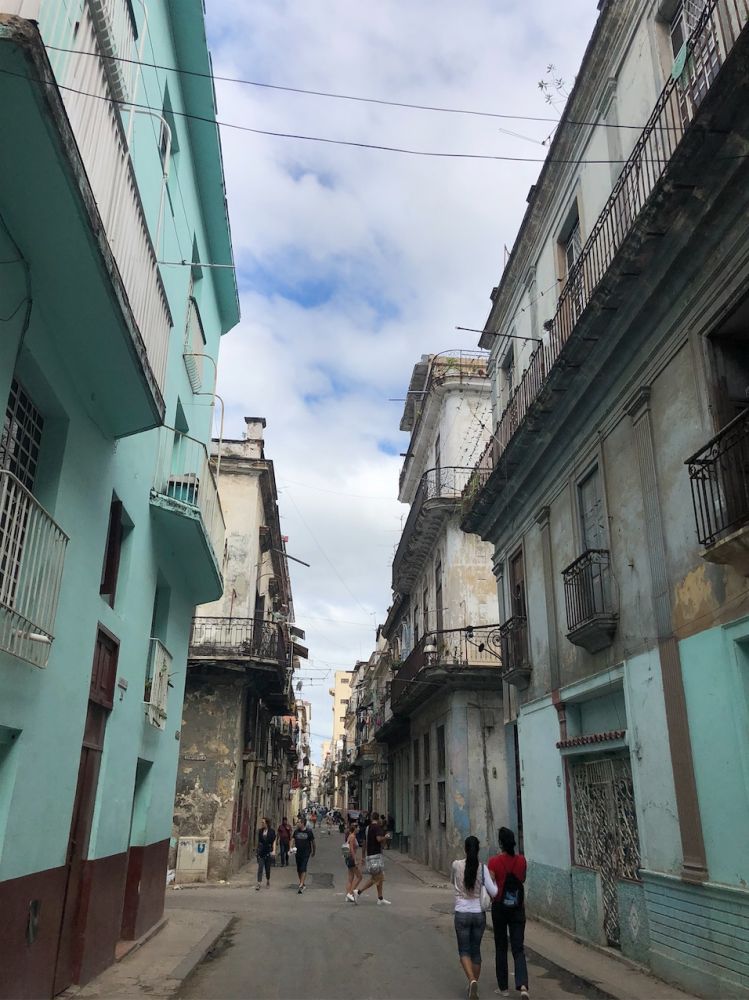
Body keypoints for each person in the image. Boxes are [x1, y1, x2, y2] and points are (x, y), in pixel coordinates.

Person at [451, 835, 498, 1000]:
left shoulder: (456, 865)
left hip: (461, 912)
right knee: (475, 950)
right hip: (478, 914)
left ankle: (471, 981)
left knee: (464, 950)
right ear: (478, 850)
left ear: (465, 849)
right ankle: (473, 984)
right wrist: (493, 881)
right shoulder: (483, 868)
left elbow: (452, 882)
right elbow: (494, 892)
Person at [488, 827, 529, 999]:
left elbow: (491, 885)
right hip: (518, 908)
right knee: (518, 948)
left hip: (499, 907)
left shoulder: (493, 862)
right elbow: (522, 879)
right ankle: (523, 986)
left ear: (500, 843)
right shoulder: (522, 860)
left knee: (501, 946)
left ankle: (503, 988)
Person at [355, 811, 391, 905]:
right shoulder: (377, 828)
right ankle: (358, 892)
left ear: (371, 818)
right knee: (376, 877)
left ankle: (380, 897)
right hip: (376, 855)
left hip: (370, 855)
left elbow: (364, 842)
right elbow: (379, 839)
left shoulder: (368, 828)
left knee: (380, 876)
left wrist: (363, 856)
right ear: (378, 819)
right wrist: (386, 837)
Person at [292, 815, 315, 893]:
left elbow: (313, 842)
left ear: (303, 823)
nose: (297, 823)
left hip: (306, 852)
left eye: (298, 822)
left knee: (303, 867)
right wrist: (291, 848)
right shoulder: (296, 831)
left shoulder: (309, 832)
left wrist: (313, 851)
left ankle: (301, 884)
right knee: (299, 869)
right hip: (297, 852)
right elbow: (292, 839)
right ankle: (302, 883)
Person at [344, 821, 362, 903]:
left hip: (348, 858)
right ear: (355, 829)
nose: (359, 829)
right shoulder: (352, 837)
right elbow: (351, 849)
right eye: (358, 828)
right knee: (359, 877)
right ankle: (350, 893)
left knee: (350, 878)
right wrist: (355, 860)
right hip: (351, 858)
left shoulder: (350, 836)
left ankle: (348, 895)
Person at [255, 817, 276, 891]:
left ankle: (268, 880)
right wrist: (257, 851)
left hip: (268, 851)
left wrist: (274, 851)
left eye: (263, 822)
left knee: (267, 868)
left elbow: (273, 841)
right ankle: (259, 883)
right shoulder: (260, 831)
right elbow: (259, 842)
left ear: (267, 823)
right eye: (262, 822)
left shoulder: (271, 831)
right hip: (261, 851)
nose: (262, 824)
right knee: (260, 867)